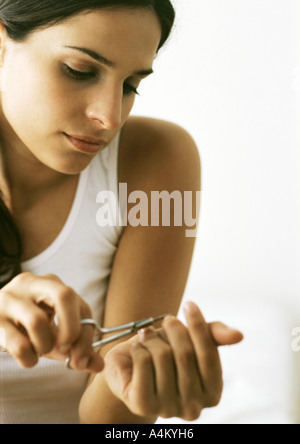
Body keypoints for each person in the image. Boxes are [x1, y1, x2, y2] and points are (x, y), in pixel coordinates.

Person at [0, 0, 243, 424]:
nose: (110, 118)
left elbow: (115, 427)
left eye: (131, 84)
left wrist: (124, 388)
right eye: (79, 70)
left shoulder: (159, 160)